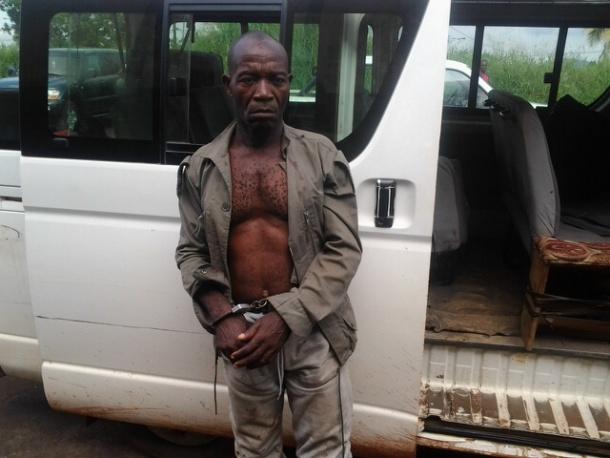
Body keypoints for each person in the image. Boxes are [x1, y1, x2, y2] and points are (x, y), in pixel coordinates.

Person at [175, 31, 362, 458]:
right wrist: (221, 319)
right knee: (254, 450)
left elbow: (343, 249)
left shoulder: (321, 155)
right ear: (228, 85)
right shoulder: (202, 167)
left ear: (289, 84)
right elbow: (191, 252)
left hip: (314, 329)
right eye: (248, 79)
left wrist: (286, 317)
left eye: (275, 79)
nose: (263, 92)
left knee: (327, 451)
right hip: (242, 335)